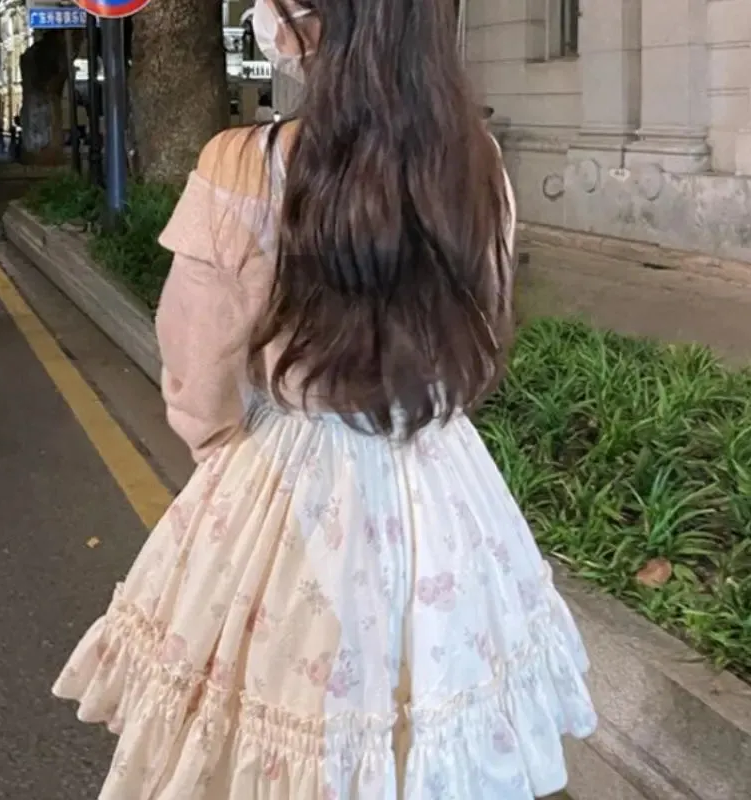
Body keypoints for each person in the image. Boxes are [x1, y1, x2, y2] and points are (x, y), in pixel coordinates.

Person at [53, 0, 597, 797]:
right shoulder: (474, 159)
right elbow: (480, 310)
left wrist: (223, 458)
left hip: (288, 476)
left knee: (270, 730)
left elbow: (195, 354)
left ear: (309, 23)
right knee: (431, 720)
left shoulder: (243, 162)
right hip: (441, 475)